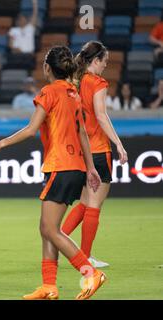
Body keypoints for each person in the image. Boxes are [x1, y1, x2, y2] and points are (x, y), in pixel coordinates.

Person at [0, 46, 106, 300]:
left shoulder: (49, 92)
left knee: (51, 230)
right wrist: (91, 167)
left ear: (46, 68)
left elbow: (30, 129)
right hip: (75, 166)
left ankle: (90, 272)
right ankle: (49, 287)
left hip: (60, 165)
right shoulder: (73, 93)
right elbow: (83, 132)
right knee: (47, 227)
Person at [61, 41, 128, 268]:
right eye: (104, 62)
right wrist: (118, 143)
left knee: (84, 201)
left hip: (80, 151)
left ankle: (58, 240)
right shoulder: (97, 82)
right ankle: (85, 258)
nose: (105, 66)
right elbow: (101, 115)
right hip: (98, 149)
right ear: (96, 60)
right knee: (94, 204)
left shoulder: (75, 82)